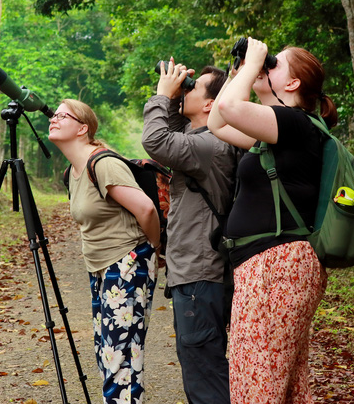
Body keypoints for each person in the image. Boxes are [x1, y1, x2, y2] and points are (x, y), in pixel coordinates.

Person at [207, 37, 339, 404]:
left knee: (258, 379)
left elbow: (230, 108)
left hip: (276, 266)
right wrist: (242, 70)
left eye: (274, 63)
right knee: (283, 384)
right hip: (272, 267)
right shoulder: (278, 134)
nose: (266, 65)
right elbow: (219, 120)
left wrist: (252, 64)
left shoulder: (295, 123)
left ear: (293, 84)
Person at [141, 59, 242, 404]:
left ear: (212, 104)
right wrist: (173, 95)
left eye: (193, 87)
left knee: (203, 373)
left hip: (200, 275)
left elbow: (155, 140)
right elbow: (169, 133)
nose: (185, 88)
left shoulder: (209, 146)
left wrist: (161, 95)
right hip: (200, 272)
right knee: (201, 364)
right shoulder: (200, 138)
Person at [48, 99, 160, 404]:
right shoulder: (73, 171)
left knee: (120, 359)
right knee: (107, 351)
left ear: (82, 128)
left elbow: (147, 210)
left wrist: (151, 251)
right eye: (54, 114)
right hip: (100, 267)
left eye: (62, 115)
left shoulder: (103, 163)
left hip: (126, 262)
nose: (54, 119)